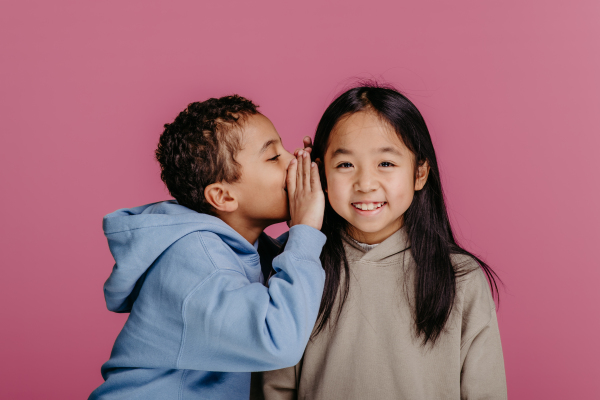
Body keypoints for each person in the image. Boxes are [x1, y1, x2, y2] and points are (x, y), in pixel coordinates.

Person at [259, 84, 507, 399]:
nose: (365, 183)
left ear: (420, 173)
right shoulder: (297, 267)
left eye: (386, 164)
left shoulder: (461, 277)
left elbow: (486, 390)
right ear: (320, 172)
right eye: (345, 164)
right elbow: (274, 388)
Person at [89, 95, 326, 400]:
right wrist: (306, 229)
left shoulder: (234, 246)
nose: (294, 160)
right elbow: (278, 340)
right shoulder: (197, 262)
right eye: (272, 157)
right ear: (223, 197)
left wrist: (319, 216)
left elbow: (289, 274)